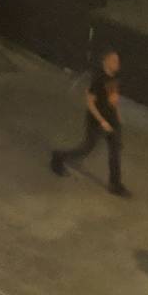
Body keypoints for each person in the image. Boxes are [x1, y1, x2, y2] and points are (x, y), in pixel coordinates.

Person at [49, 50, 128, 196]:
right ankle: (58, 157)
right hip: (97, 122)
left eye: (118, 60)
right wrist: (102, 121)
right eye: (114, 61)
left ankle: (115, 185)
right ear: (106, 61)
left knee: (115, 152)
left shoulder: (116, 77)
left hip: (112, 120)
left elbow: (114, 98)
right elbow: (90, 103)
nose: (117, 64)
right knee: (85, 149)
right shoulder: (98, 80)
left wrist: (118, 116)